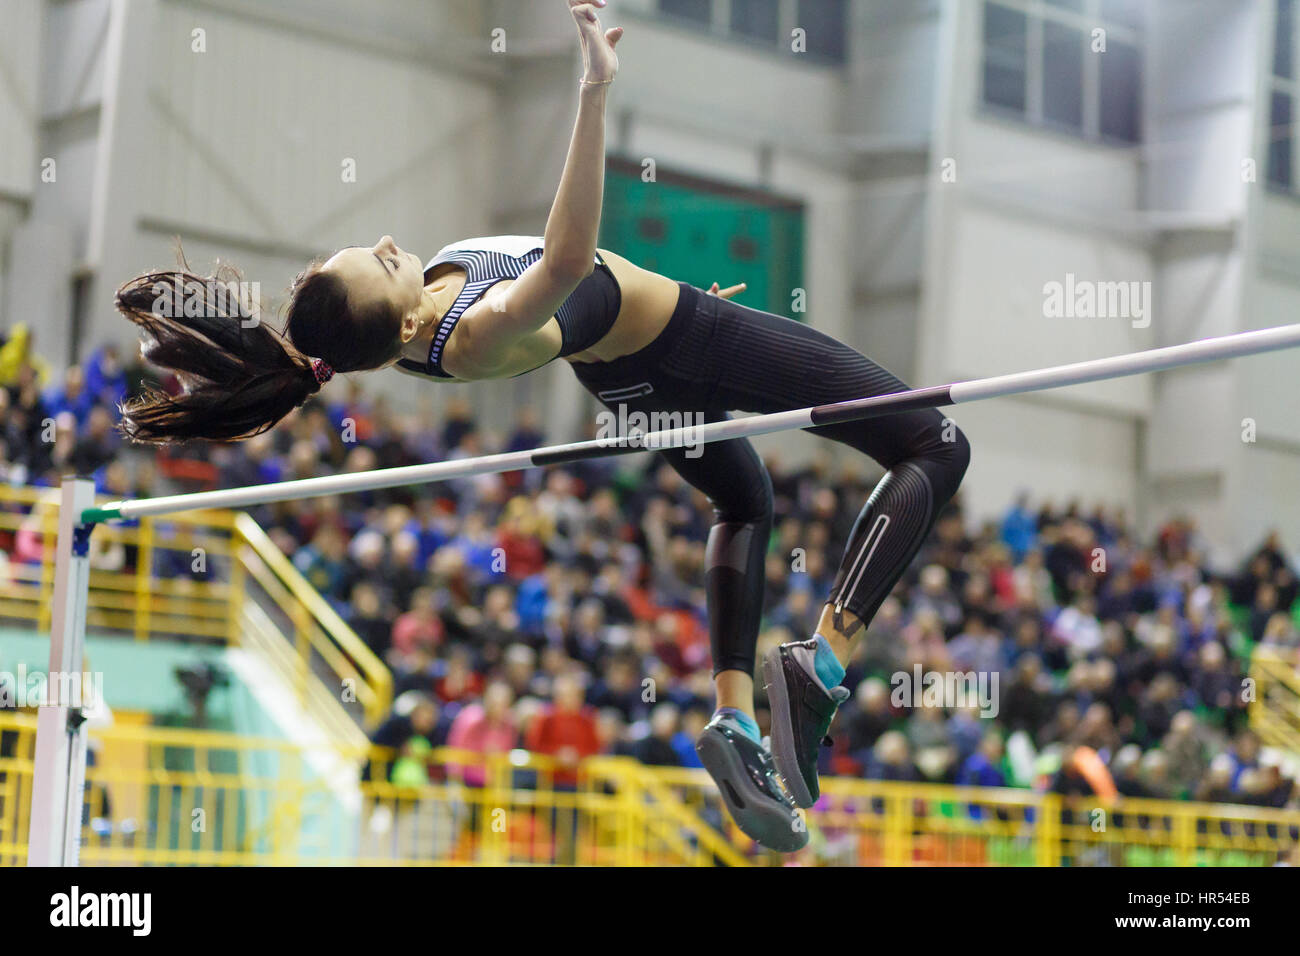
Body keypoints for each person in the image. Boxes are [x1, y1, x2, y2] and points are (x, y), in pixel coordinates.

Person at [109, 0, 969, 852]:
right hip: (689, 340)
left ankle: (736, 719)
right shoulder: (475, 333)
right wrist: (593, 93)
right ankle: (821, 661)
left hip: (633, 369)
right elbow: (564, 262)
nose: (382, 240)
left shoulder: (405, 317)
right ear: (401, 327)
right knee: (935, 442)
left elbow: (571, 290)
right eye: (375, 264)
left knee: (744, 502)